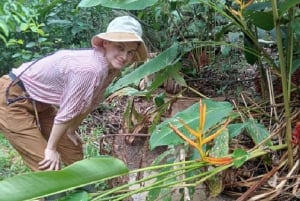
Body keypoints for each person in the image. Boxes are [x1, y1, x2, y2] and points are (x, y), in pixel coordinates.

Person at [0, 15, 148, 172]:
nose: (124, 57)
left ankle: (87, 193)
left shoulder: (111, 68)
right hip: (13, 96)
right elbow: (68, 110)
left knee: (73, 152)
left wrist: (71, 130)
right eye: (120, 47)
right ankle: (52, 194)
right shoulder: (90, 69)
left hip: (41, 102)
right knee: (46, 165)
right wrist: (51, 149)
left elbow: (91, 102)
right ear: (106, 43)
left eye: (130, 52)